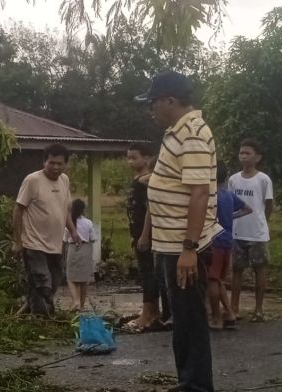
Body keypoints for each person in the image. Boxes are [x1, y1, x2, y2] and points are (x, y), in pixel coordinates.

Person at [136, 70, 221, 392]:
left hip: (183, 246)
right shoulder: (177, 132)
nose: (150, 109)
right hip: (169, 243)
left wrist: (189, 248)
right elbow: (180, 180)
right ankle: (188, 381)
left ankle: (197, 385)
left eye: (153, 102)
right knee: (182, 319)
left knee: (190, 319)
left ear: (170, 100)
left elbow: (200, 192)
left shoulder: (194, 133)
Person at [13, 143, 81, 316]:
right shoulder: (32, 180)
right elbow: (18, 210)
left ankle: (24, 314)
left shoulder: (64, 180)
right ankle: (44, 319)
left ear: (65, 164)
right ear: (44, 162)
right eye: (51, 163)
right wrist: (18, 241)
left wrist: (73, 230)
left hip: (56, 243)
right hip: (34, 243)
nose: (55, 167)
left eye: (60, 163)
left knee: (55, 280)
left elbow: (64, 209)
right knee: (43, 282)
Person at [229, 139, 274, 323]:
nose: (243, 156)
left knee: (260, 270)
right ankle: (234, 308)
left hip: (257, 233)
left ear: (257, 157)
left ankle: (259, 309)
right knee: (237, 270)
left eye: (247, 153)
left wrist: (261, 221)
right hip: (237, 231)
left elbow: (268, 204)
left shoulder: (263, 179)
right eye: (241, 153)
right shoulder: (233, 179)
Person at [124, 143, 167, 332]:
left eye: (134, 157)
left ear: (147, 159)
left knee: (149, 274)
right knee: (147, 273)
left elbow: (151, 209)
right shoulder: (139, 180)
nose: (130, 161)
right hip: (137, 233)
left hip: (146, 235)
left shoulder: (146, 181)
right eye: (128, 158)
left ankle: (148, 313)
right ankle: (153, 311)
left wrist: (144, 235)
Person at [209, 162, 252, 330]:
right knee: (219, 280)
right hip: (227, 240)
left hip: (213, 241)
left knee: (211, 280)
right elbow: (248, 209)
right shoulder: (228, 195)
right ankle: (229, 313)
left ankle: (217, 317)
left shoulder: (211, 196)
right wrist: (231, 217)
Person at [64, 199, 97, 312]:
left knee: (70, 277)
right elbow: (93, 238)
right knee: (84, 280)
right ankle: (82, 306)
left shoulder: (69, 223)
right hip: (86, 249)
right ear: (83, 210)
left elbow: (65, 239)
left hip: (73, 249)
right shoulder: (88, 223)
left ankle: (75, 300)